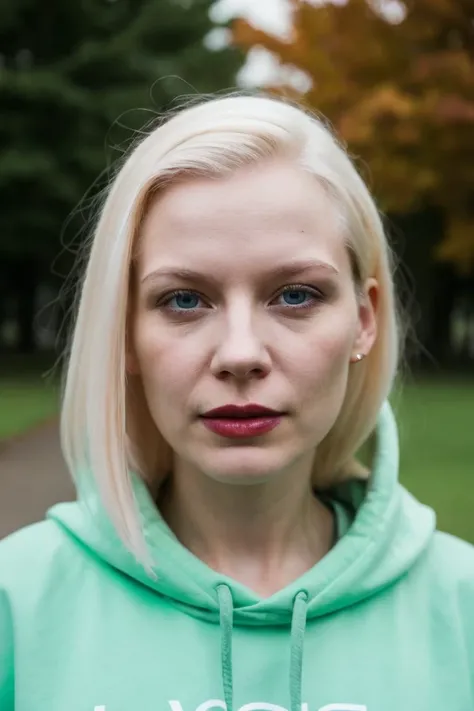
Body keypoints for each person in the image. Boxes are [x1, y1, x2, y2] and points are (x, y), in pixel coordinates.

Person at [0, 94, 473, 711]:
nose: (240, 354)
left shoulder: (460, 605)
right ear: (123, 332)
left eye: (296, 295)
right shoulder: (17, 602)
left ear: (364, 320)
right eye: (184, 300)